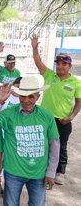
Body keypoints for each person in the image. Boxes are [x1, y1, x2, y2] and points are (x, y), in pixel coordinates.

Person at [0, 76, 60, 206]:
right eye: (23, 96)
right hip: (13, 172)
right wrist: (0, 102)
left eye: (31, 96)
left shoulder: (47, 115)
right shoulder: (8, 114)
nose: (26, 101)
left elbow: (55, 145)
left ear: (38, 95)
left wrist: (51, 172)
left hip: (39, 173)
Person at [31, 34, 81, 185]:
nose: (60, 66)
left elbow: (79, 101)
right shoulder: (49, 75)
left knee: (61, 146)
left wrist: (71, 117)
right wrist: (35, 48)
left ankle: (60, 172)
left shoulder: (76, 82)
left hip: (63, 120)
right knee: (43, 143)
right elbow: (38, 62)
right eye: (58, 64)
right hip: (45, 118)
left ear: (69, 66)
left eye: (63, 64)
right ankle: (44, 168)